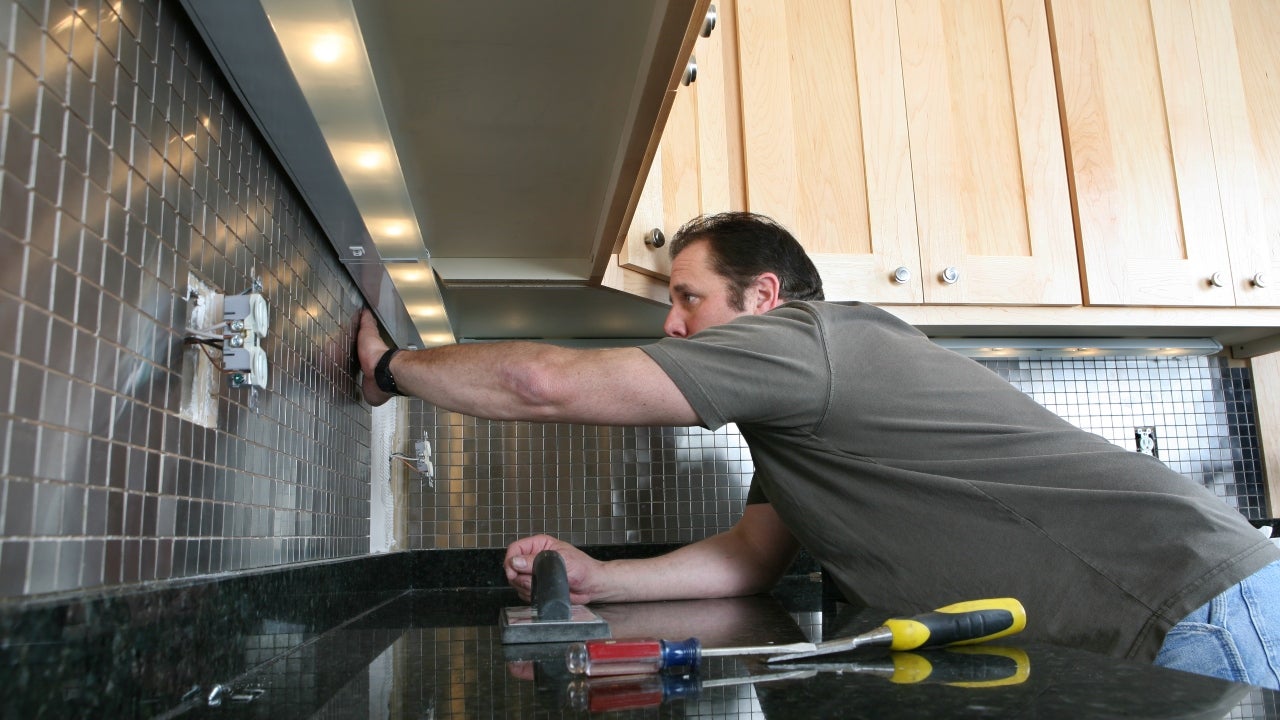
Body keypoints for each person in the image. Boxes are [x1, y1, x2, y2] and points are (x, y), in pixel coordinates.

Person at [357, 211, 1280, 690]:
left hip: (1200, 609)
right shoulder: (799, 413)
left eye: (687, 299)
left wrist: (391, 366)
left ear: (762, 297)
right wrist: (601, 576)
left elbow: (546, 383)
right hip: (1192, 614)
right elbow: (753, 558)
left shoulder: (808, 344)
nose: (673, 328)